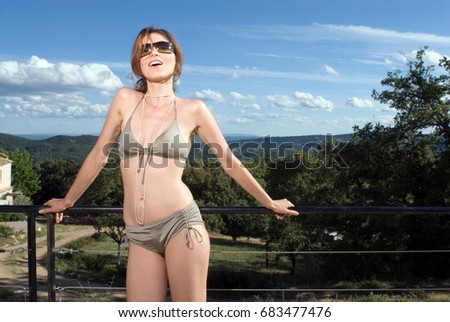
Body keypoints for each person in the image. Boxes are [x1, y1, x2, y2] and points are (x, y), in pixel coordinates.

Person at [39, 26, 299, 302]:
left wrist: (269, 201)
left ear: (177, 61)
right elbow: (98, 155)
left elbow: (229, 161)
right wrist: (68, 200)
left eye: (163, 46)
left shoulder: (193, 109)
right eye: (145, 48)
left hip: (181, 226)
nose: (153, 51)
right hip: (138, 235)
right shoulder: (124, 100)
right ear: (138, 65)